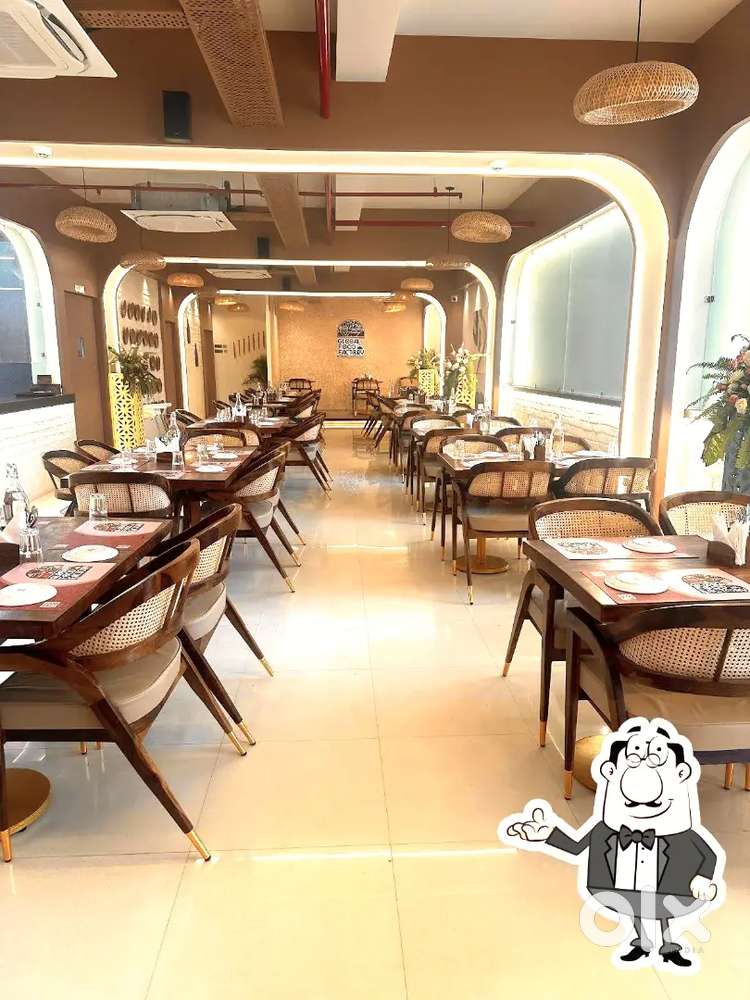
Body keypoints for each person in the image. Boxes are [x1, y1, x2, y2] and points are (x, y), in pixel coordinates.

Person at [500, 718, 725, 971]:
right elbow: (576, 847)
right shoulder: (605, 830)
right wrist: (547, 835)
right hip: (623, 886)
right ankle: (642, 942)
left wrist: (702, 878)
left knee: (661, 910)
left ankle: (668, 945)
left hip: (670, 890)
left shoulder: (682, 835)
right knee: (636, 907)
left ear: (681, 775)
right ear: (610, 773)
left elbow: (710, 856)